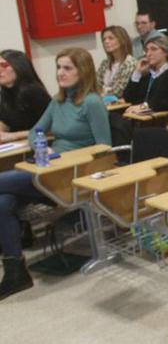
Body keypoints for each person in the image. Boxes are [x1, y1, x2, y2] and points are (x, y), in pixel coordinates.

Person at [0, 48, 111, 300]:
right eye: (58, 67)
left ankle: (15, 271)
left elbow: (105, 149)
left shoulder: (92, 102)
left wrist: (65, 158)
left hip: (72, 174)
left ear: (82, 71)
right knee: (2, 202)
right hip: (49, 167)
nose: (60, 73)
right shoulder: (58, 101)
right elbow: (35, 131)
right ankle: (16, 272)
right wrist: (43, 144)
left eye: (67, 68)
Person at [0, 50, 51, 144]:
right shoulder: (6, 92)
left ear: (19, 67)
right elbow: (4, 122)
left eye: (4, 65)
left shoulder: (34, 92)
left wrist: (13, 136)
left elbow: (51, 129)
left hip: (40, 146)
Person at [122, 35, 168, 108]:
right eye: (147, 50)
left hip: (158, 115)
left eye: (154, 49)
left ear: (166, 52)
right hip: (136, 114)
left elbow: (165, 101)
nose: (148, 54)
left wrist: (142, 107)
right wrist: (137, 72)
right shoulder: (146, 74)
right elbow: (127, 98)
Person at [96, 26, 137, 98]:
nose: (106, 41)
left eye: (111, 38)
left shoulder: (130, 63)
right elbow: (95, 85)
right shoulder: (105, 63)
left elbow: (119, 91)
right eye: (104, 39)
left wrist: (103, 91)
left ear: (122, 40)